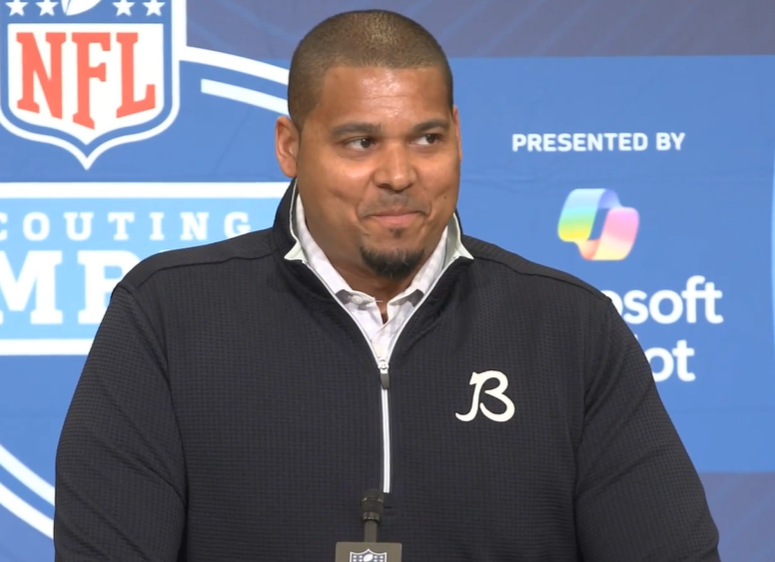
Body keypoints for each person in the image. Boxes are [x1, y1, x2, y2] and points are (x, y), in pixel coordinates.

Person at [54, 8, 720, 562]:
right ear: (290, 146)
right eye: (360, 142)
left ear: (458, 135)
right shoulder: (167, 318)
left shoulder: (571, 329)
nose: (399, 173)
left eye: (426, 138)